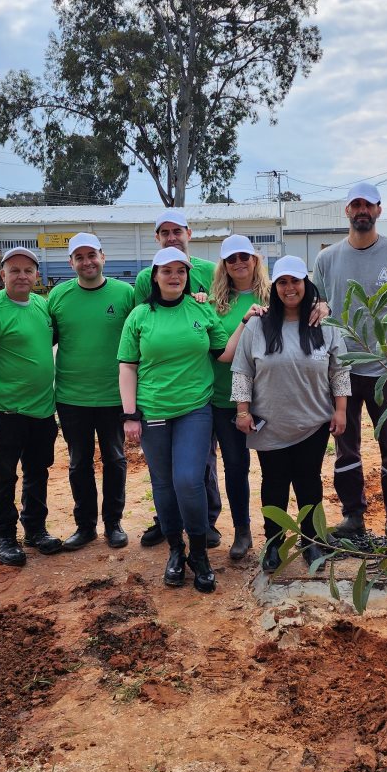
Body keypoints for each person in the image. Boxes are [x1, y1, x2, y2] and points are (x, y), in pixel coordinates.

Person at [118, 247, 262, 593]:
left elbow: (224, 354)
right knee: (163, 484)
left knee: (188, 480)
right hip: (153, 412)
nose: (174, 277)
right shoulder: (139, 316)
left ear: (186, 275)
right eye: (166, 271)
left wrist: (244, 323)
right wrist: (129, 415)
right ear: (155, 276)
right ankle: (174, 551)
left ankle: (199, 554)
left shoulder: (200, 309)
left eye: (180, 271)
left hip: (195, 410)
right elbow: (127, 365)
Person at [232, 256, 349, 572]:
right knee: (274, 484)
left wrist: (340, 410)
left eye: (295, 281)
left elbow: (339, 370)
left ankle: (312, 542)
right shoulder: (258, 324)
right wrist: (242, 411)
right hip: (270, 423)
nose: (289, 288)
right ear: (275, 287)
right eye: (282, 282)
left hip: (312, 421)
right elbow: (242, 371)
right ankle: (274, 544)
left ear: (305, 284)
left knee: (309, 482)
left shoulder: (323, 326)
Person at [311, 182, 387, 544]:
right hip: (342, 370)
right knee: (346, 447)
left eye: (367, 205)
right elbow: (318, 309)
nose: (361, 211)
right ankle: (353, 517)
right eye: (355, 205)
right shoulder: (326, 260)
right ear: (347, 211)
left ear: (379, 210)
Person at [133, 210, 223, 549]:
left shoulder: (210, 272)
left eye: (177, 231)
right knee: (165, 470)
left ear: (189, 232)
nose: (172, 237)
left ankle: (206, 522)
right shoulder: (146, 278)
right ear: (157, 239)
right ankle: (167, 522)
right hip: (159, 389)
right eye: (164, 232)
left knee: (201, 461)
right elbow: (149, 318)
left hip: (201, 384)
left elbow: (222, 310)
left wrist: (205, 300)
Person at [0, 246, 61, 566]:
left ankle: (35, 529)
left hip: (42, 410)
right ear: (2, 274)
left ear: (36, 275)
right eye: (14, 270)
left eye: (28, 270)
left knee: (38, 472)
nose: (22, 275)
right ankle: (4, 536)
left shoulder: (42, 306)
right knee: (4, 475)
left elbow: (40, 346)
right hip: (7, 412)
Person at [48, 232, 136, 551]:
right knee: (78, 462)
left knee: (115, 458)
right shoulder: (58, 297)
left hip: (114, 395)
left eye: (92, 255)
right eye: (79, 257)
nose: (87, 262)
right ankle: (85, 526)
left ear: (103, 257)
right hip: (72, 397)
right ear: (71, 262)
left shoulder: (125, 294)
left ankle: (113, 523)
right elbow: (43, 340)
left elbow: (145, 332)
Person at [209, 234, 271, 561]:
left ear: (254, 259)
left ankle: (275, 533)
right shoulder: (215, 304)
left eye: (244, 257)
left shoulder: (274, 295)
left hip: (267, 399)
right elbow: (218, 353)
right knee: (235, 466)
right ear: (224, 265)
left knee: (274, 468)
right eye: (231, 259)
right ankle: (242, 530)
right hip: (224, 400)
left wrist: (321, 303)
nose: (238, 264)